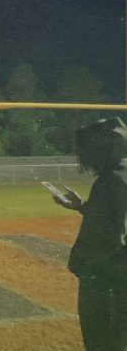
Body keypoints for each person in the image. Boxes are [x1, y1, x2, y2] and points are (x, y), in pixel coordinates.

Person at [51, 117, 127, 351]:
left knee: (103, 341)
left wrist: (81, 264)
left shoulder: (111, 180)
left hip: (108, 279)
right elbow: (115, 215)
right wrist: (81, 206)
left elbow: (112, 237)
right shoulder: (121, 173)